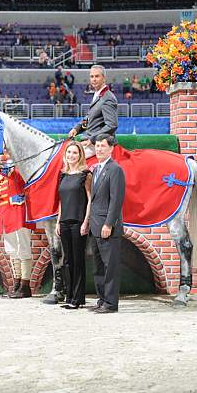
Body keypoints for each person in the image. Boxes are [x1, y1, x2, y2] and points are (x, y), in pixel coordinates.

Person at [88, 134, 125, 314]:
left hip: (107, 227)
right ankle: (101, 299)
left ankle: (110, 304)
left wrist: (109, 224)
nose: (99, 149)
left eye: (103, 146)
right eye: (97, 146)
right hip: (95, 226)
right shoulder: (96, 169)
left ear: (111, 148)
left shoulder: (115, 169)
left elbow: (116, 200)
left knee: (110, 267)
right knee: (98, 267)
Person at [55, 142, 92, 310]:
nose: (71, 155)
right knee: (67, 261)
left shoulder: (86, 174)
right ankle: (69, 296)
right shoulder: (62, 175)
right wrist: (58, 221)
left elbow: (90, 199)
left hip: (78, 222)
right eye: (69, 152)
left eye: (75, 153)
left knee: (78, 261)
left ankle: (77, 299)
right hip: (64, 223)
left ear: (80, 155)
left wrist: (86, 221)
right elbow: (62, 202)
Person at [0, 155, 34, 298]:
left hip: (19, 213)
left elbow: (18, 178)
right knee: (12, 250)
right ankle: (17, 284)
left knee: (23, 248)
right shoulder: (2, 175)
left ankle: (25, 286)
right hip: (6, 214)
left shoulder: (18, 169)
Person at [68, 65, 118, 158]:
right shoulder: (97, 94)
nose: (94, 79)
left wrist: (92, 139)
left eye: (97, 76)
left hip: (99, 143)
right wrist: (77, 129)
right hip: (91, 141)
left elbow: (112, 125)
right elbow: (88, 118)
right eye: (92, 76)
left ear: (104, 78)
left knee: (71, 156)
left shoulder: (108, 98)